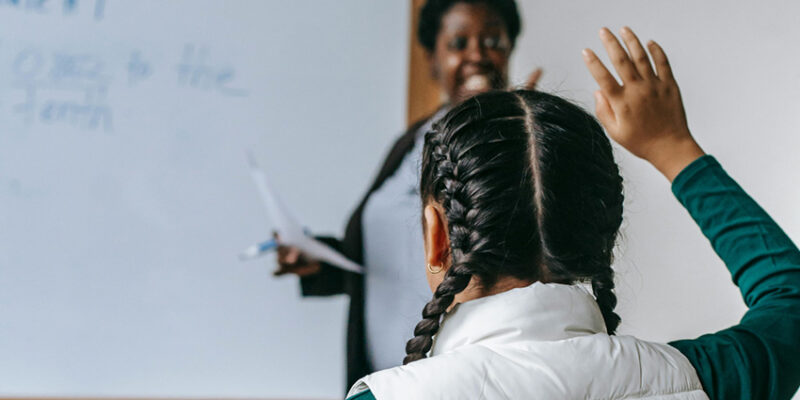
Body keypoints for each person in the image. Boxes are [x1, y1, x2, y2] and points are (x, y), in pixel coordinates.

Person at [344, 27, 800, 399]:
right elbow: (791, 297)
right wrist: (674, 149)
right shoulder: (706, 378)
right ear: (603, 237)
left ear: (437, 238)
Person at [274, 0, 541, 388]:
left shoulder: (515, 147)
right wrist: (319, 261)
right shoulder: (413, 139)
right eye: (458, 43)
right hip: (384, 376)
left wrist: (514, 131)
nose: (477, 55)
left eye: (493, 41)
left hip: (457, 383)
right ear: (432, 60)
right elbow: (391, 255)